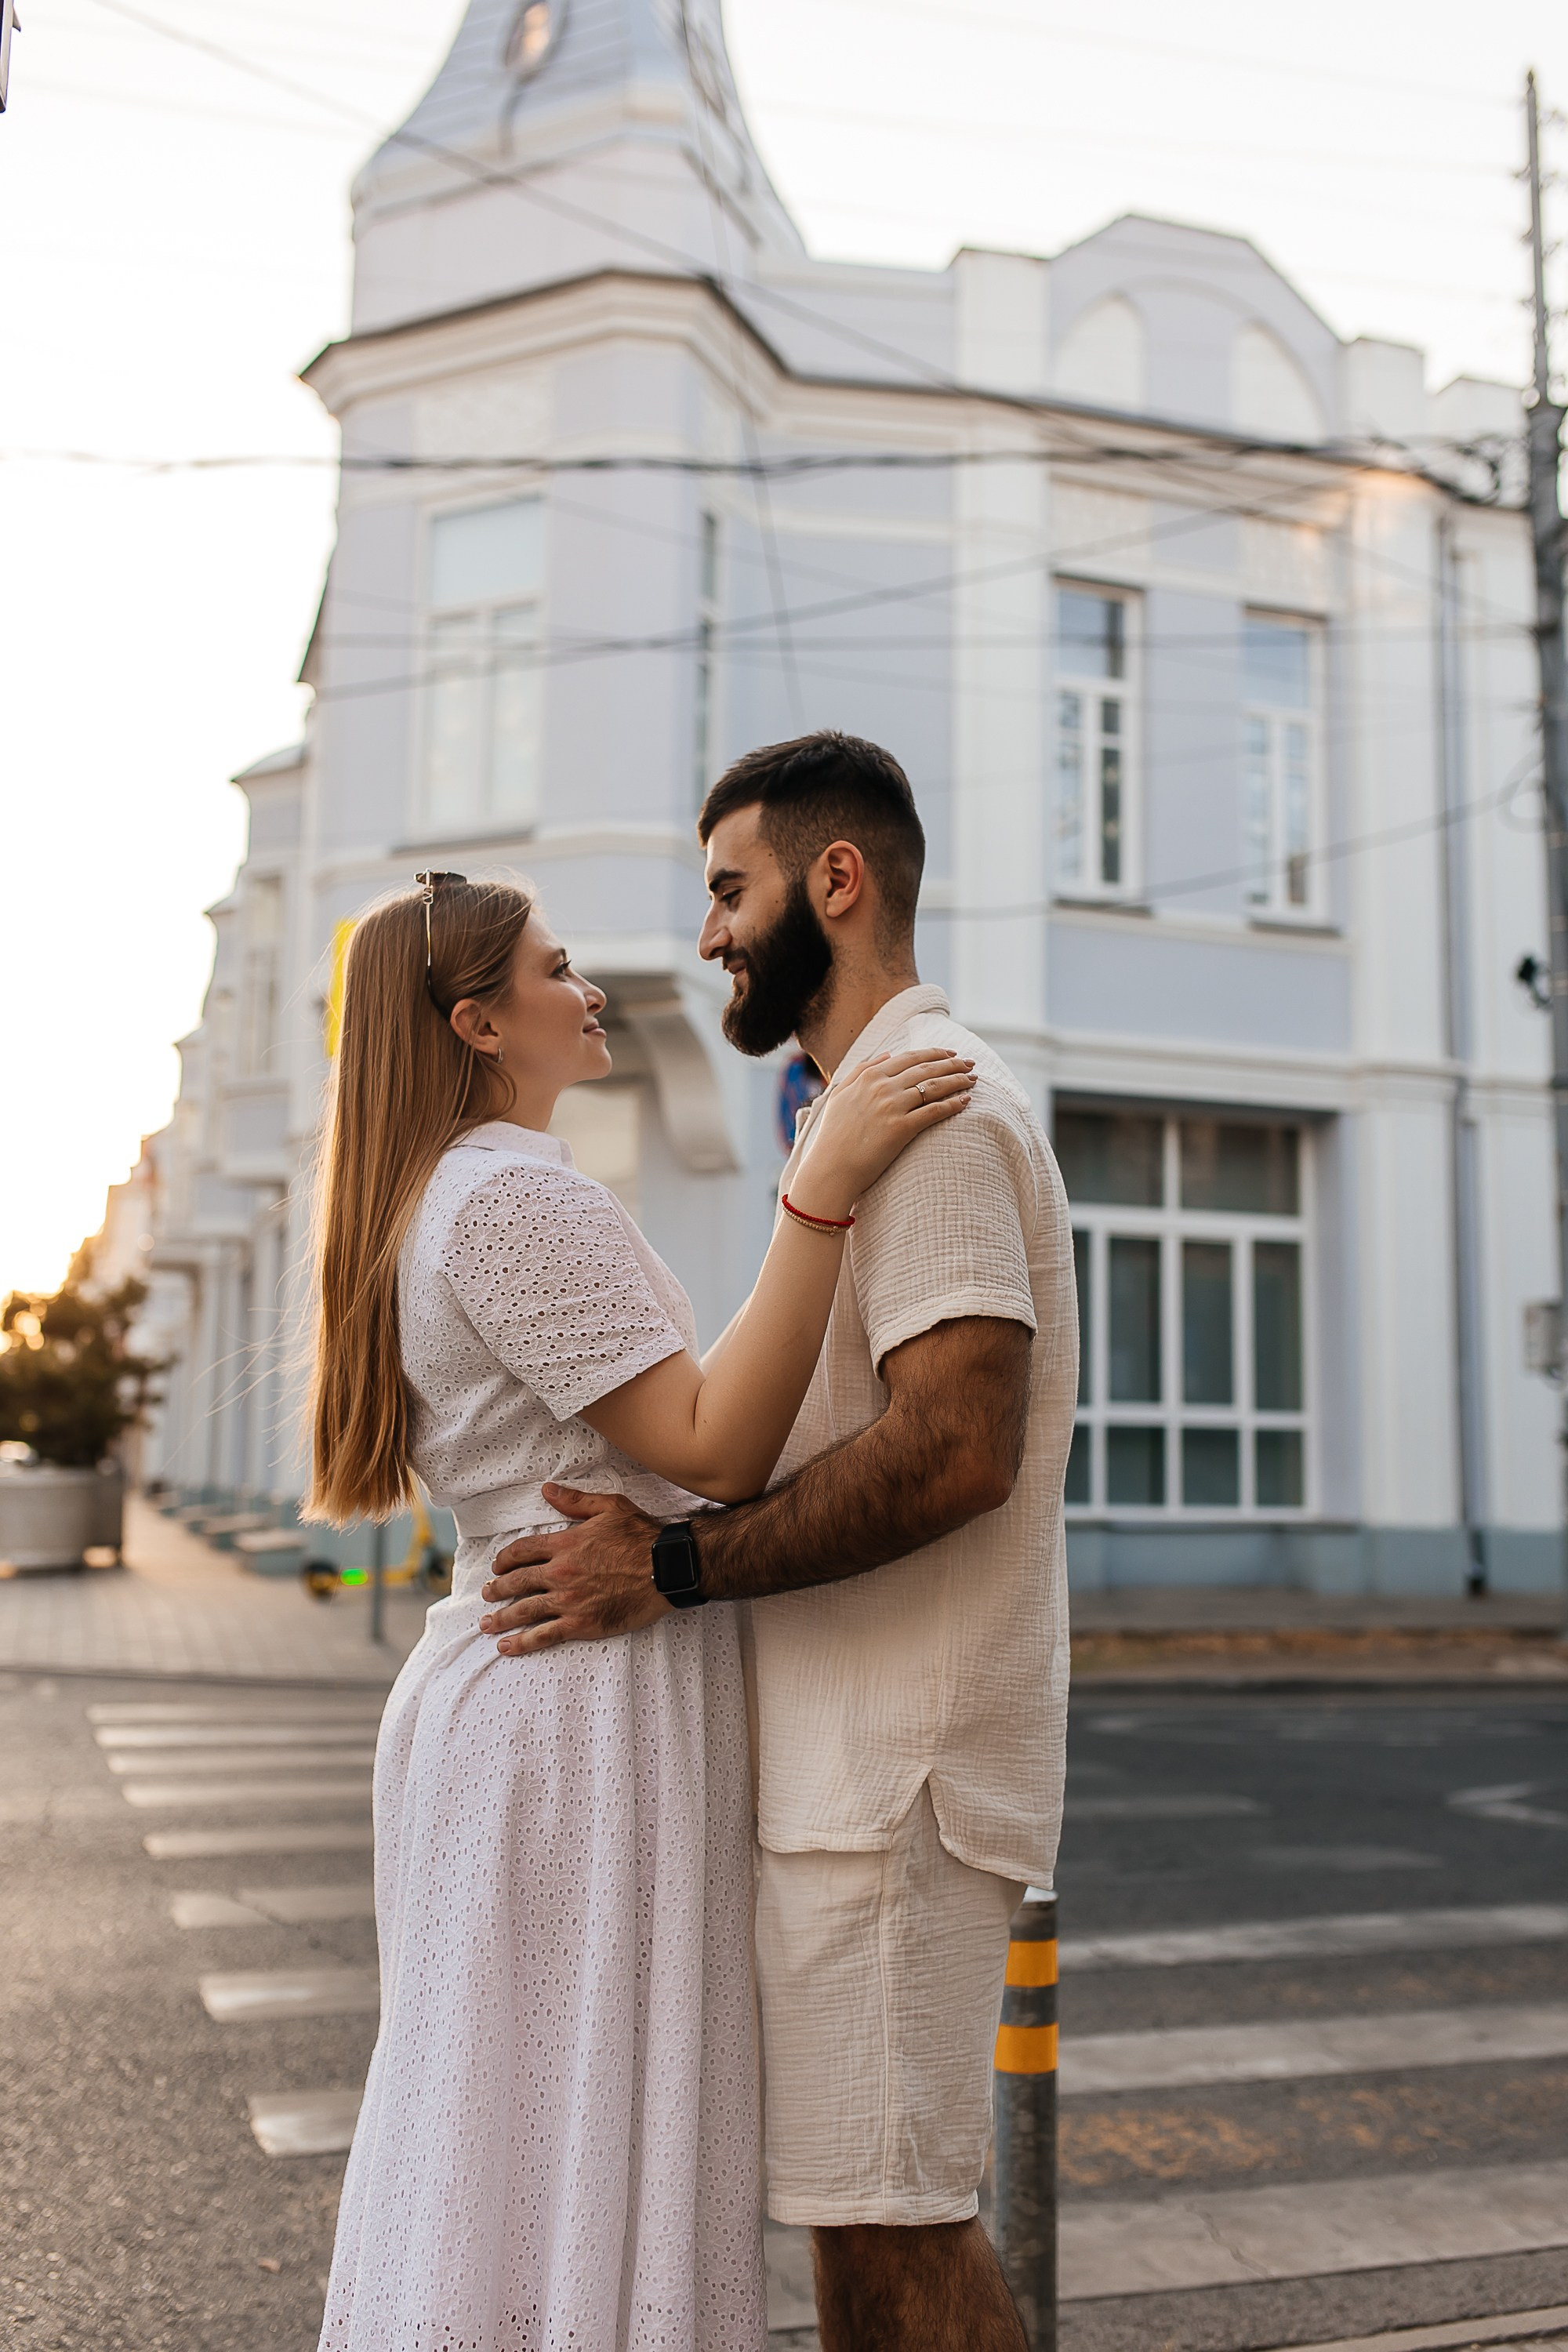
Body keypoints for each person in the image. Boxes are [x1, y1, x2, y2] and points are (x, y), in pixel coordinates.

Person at [306, 869, 975, 2352]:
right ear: (479, 1023)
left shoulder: (450, 1195)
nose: (590, 987)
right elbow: (713, 1448)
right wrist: (820, 1189)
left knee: (507, 2151)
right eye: (557, 968)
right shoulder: (514, 1198)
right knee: (572, 2146)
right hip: (580, 1699)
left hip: (531, 1684)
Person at [481, 734, 1079, 2352]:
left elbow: (956, 1446)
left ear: (838, 880)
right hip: (856, 1781)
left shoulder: (934, 1112)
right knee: (871, 2238)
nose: (708, 936)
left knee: (893, 2243)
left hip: (895, 1783)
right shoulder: (864, 1117)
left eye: (729, 892)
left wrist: (671, 1568)